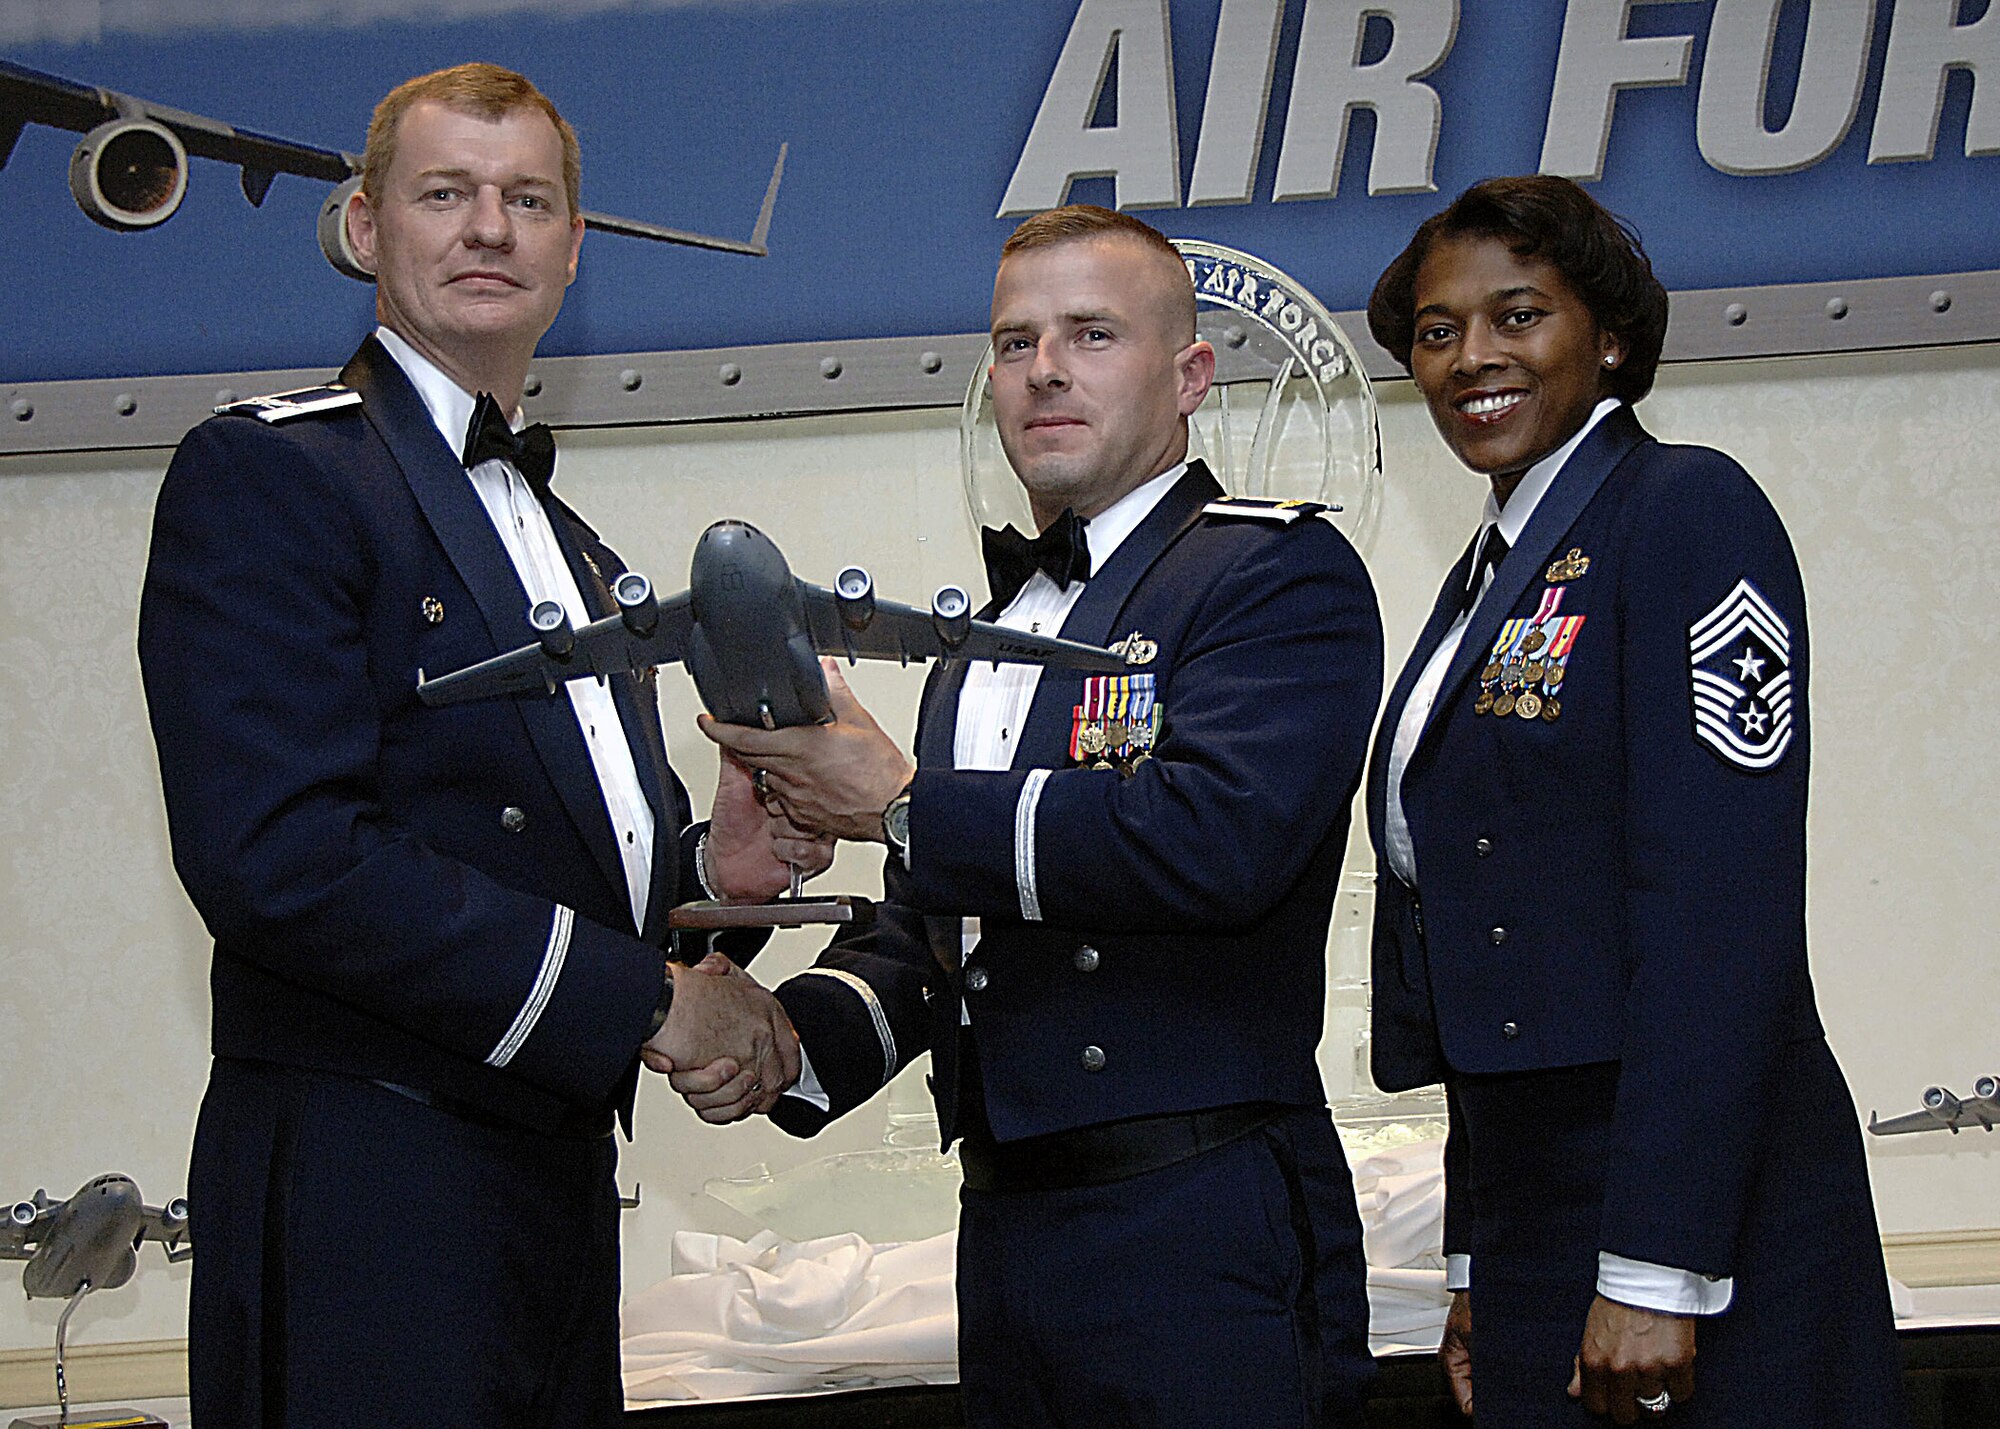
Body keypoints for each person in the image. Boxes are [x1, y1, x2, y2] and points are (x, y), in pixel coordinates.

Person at [138, 63, 817, 1429]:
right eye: (445, 193)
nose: (490, 229)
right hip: (371, 1186)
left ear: (573, 247)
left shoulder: (573, 552)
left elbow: (548, 858)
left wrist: (715, 874)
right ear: (364, 230)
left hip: (544, 1194)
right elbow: (280, 855)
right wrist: (643, 1000)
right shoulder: (273, 472)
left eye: (529, 200)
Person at [669, 204, 1383, 1426]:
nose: (1043, 368)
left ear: (1189, 375)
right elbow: (930, 925)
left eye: (1091, 334)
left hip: (1200, 1219)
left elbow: (1212, 841)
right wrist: (787, 1045)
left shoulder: (1274, 574)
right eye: (1013, 343)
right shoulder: (985, 641)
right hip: (1005, 1233)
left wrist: (898, 802)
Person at [1363, 175, 1907, 1426]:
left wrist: (1661, 1267)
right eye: (1437, 332)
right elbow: (1484, 943)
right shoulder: (1491, 570)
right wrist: (1471, 1263)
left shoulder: (1681, 511)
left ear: (1606, 338)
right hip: (1535, 1200)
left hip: (1690, 1206)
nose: (1470, 357)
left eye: (1516, 316)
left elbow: (1718, 916)